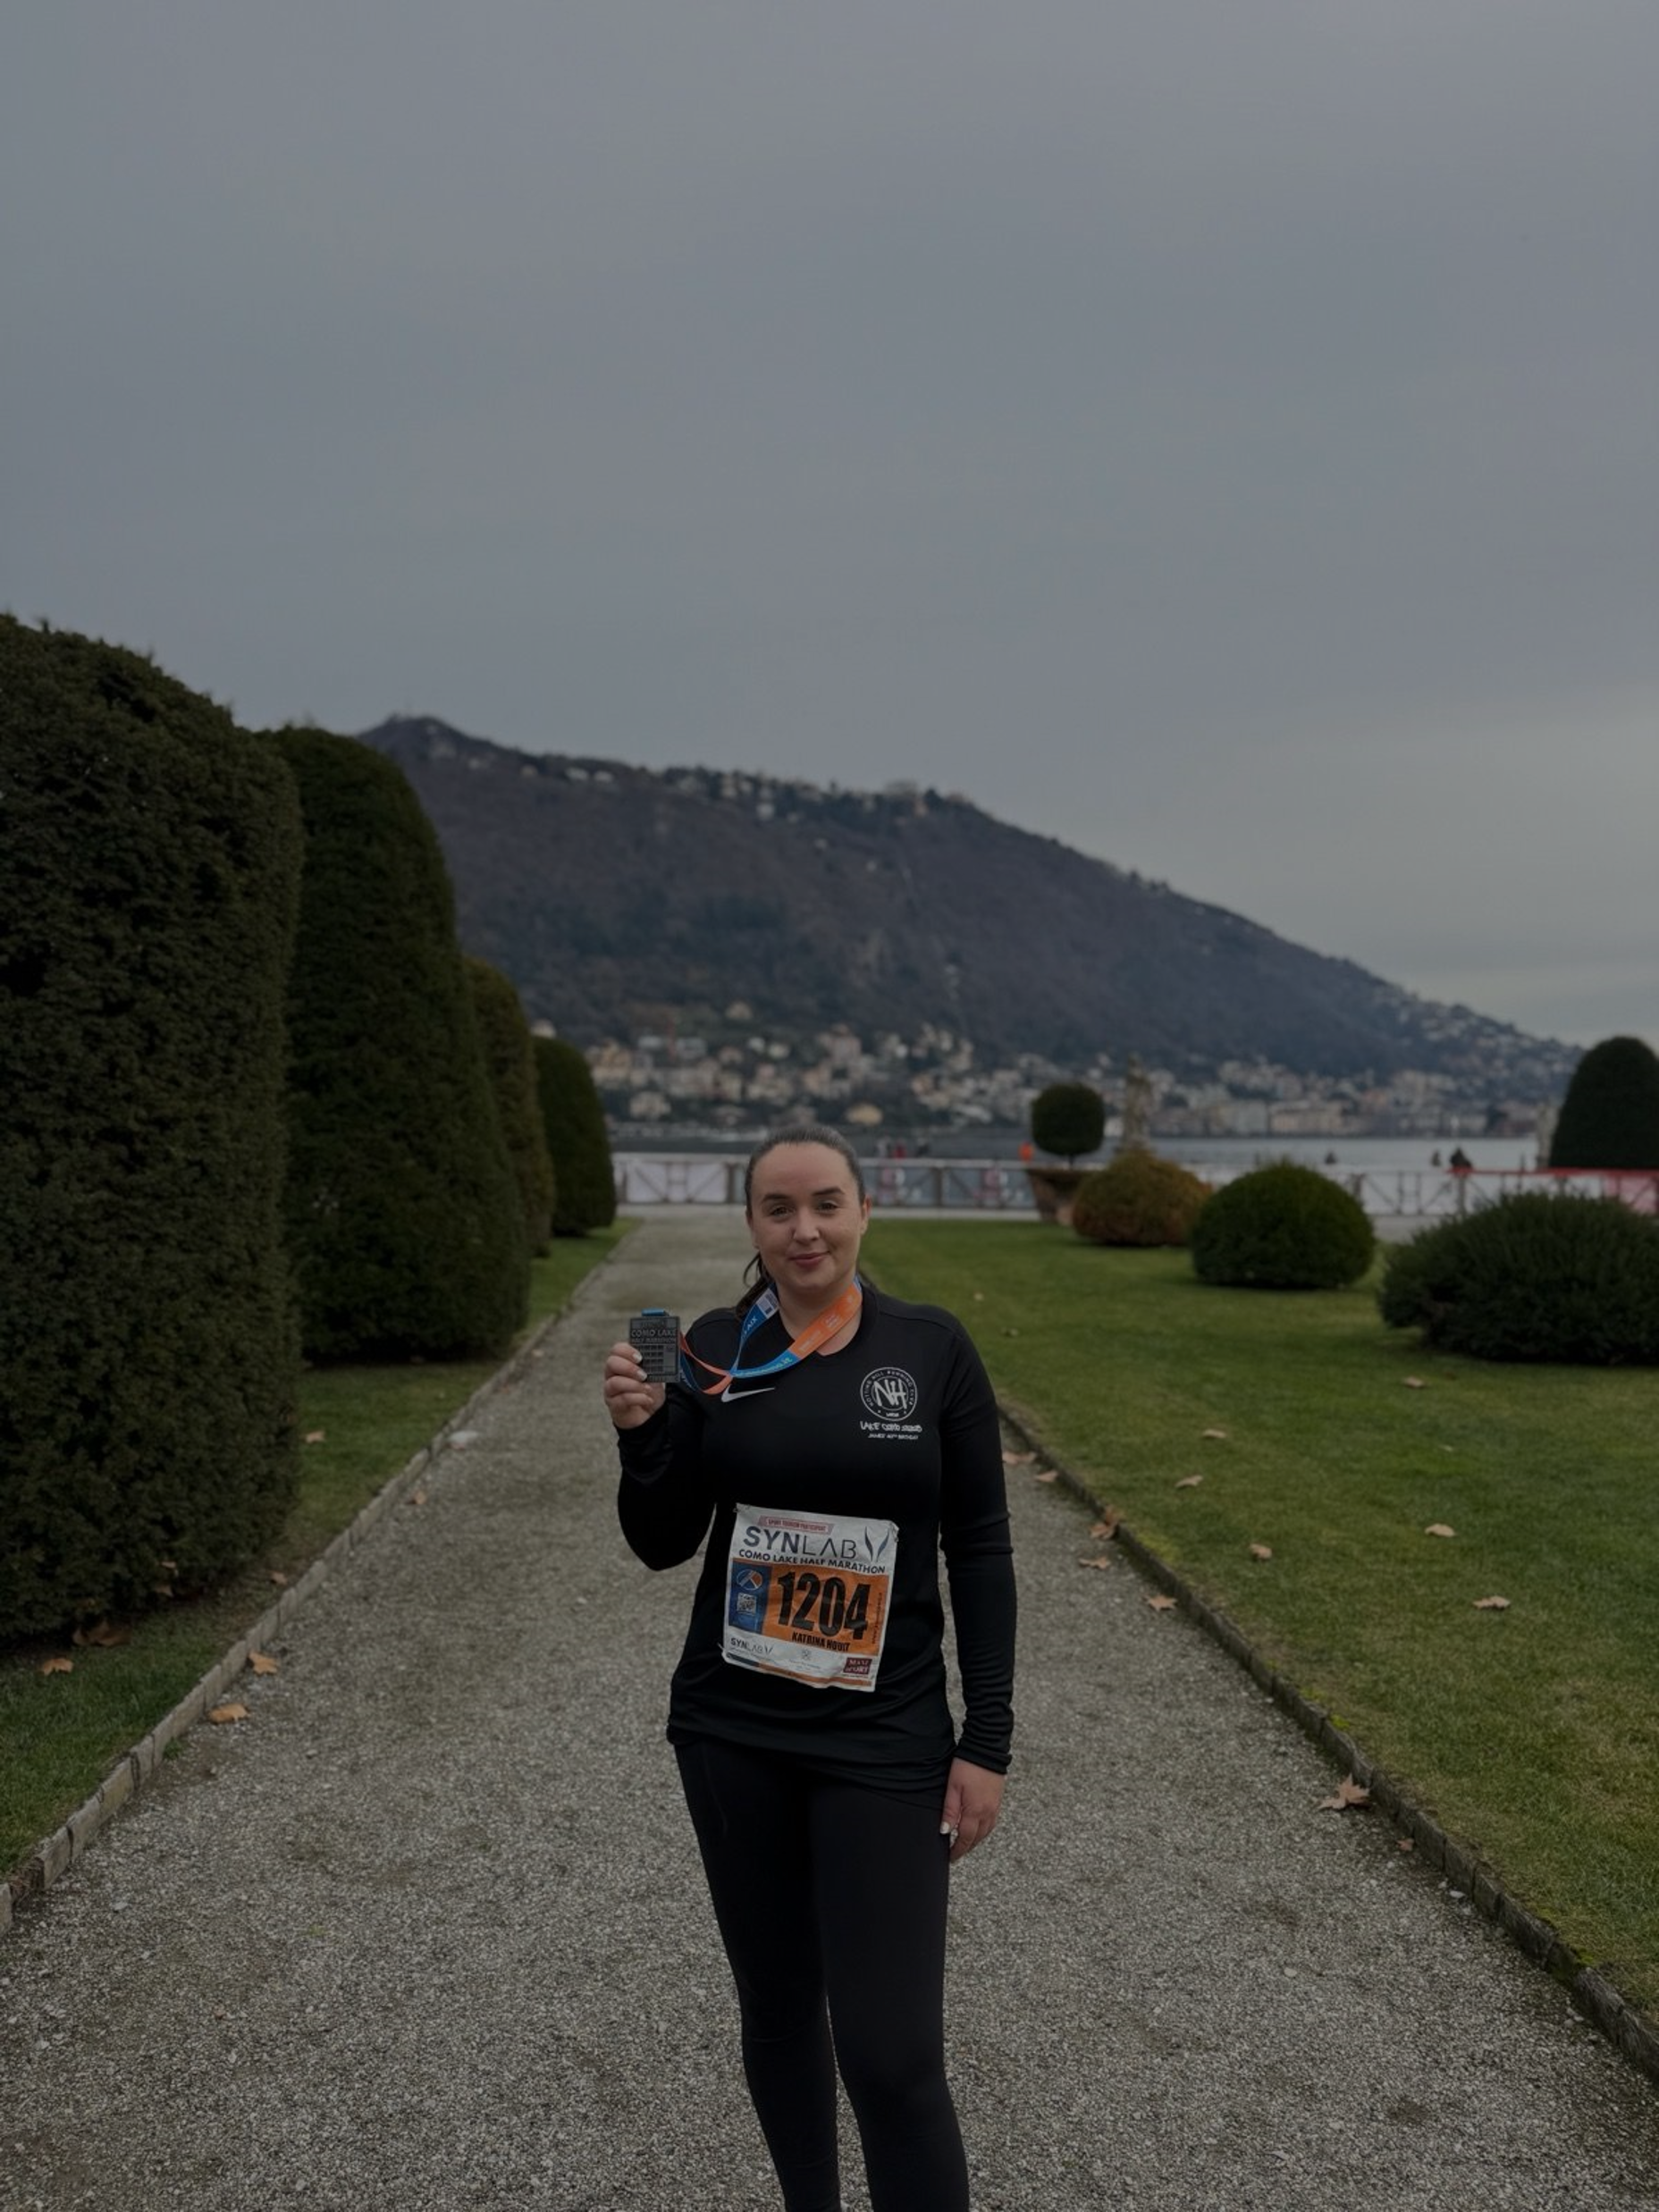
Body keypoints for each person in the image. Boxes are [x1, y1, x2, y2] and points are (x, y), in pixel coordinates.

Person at [602, 1123, 1015, 2212]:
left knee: (888, 2052)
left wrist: (987, 1742)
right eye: (778, 1208)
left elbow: (979, 1548)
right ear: (750, 1223)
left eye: (825, 1203)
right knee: (780, 2013)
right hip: (733, 1731)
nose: (804, 1229)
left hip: (883, 1740)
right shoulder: (707, 1348)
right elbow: (661, 1539)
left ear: (863, 1212)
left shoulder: (929, 1348)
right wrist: (642, 1436)